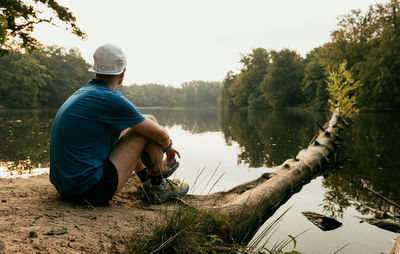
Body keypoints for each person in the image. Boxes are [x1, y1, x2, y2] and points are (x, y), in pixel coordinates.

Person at [49, 44, 189, 206]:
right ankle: (158, 186)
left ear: (95, 71)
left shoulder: (85, 93)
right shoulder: (108, 98)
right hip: (90, 191)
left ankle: (147, 179)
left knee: (142, 122)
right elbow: (161, 135)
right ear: (122, 73)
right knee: (147, 126)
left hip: (66, 187)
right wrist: (168, 148)